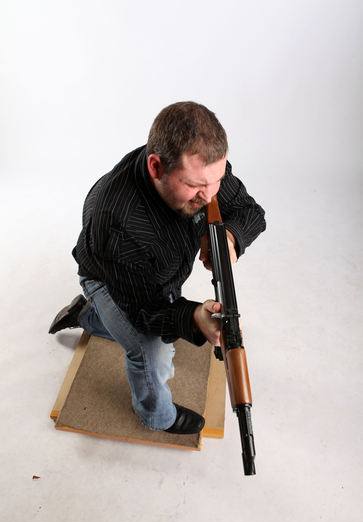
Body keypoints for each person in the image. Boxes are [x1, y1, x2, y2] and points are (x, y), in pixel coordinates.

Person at [49, 101, 266, 435]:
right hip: (108, 279)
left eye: (217, 181)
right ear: (156, 167)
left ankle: (88, 316)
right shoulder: (118, 224)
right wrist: (193, 317)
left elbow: (251, 211)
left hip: (151, 278)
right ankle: (156, 416)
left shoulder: (202, 169)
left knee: (165, 323)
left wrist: (230, 237)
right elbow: (144, 312)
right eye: (196, 186)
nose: (209, 197)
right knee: (153, 349)